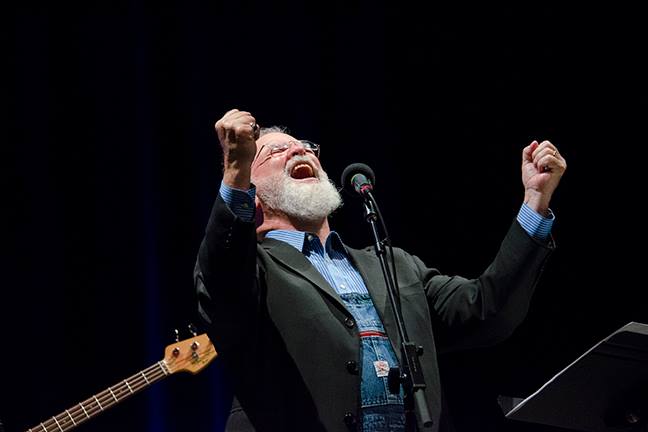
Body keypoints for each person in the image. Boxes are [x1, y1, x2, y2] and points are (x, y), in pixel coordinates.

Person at [194, 108, 567, 432]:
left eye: (306, 146)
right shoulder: (254, 271)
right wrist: (235, 171)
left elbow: (487, 308)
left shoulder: (394, 265)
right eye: (275, 151)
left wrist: (535, 202)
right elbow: (223, 276)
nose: (298, 150)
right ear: (253, 197)